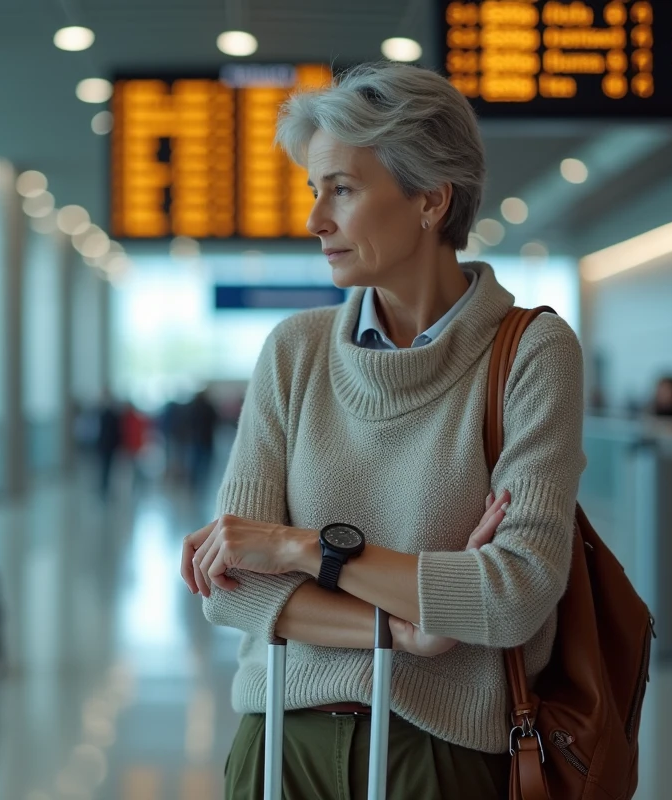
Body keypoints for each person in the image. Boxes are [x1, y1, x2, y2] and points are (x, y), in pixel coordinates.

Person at [179, 63, 586, 798]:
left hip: (439, 756)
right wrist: (400, 630)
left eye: (342, 188)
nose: (316, 219)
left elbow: (513, 594)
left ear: (430, 198)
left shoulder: (531, 353)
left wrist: (300, 548)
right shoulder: (295, 351)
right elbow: (230, 588)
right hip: (280, 745)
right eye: (315, 189)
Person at [96, 394, 122, 498]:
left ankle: (105, 486)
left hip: (108, 446)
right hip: (107, 446)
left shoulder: (109, 416)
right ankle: (104, 486)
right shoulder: (106, 415)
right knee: (105, 467)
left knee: (107, 467)